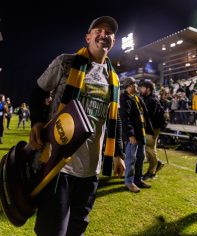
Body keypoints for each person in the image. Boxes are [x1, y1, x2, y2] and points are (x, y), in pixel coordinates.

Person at [29, 16, 125, 236]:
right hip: (59, 165)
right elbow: (38, 91)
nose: (104, 34)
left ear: (114, 41)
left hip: (91, 170)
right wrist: (37, 121)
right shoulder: (66, 62)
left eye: (109, 32)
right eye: (98, 30)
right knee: (52, 231)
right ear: (88, 37)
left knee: (77, 229)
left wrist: (118, 153)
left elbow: (114, 118)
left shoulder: (114, 79)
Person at [120, 77, 153, 193]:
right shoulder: (124, 98)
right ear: (128, 86)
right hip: (133, 135)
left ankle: (138, 179)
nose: (136, 87)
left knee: (140, 158)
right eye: (134, 85)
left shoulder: (136, 98)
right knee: (131, 158)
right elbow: (125, 118)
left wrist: (149, 130)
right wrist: (130, 134)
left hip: (141, 133)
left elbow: (144, 114)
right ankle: (129, 182)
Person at [139, 81, 165, 180]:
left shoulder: (152, 100)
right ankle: (157, 163)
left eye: (142, 88)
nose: (140, 89)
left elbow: (148, 117)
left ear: (148, 89)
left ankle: (151, 172)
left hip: (152, 128)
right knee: (150, 149)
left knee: (149, 149)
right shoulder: (147, 98)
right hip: (151, 127)